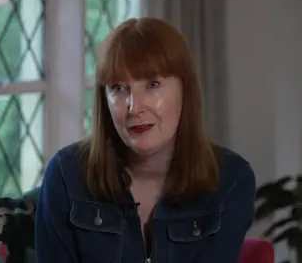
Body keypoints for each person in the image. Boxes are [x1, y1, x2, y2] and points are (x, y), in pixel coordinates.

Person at [35, 17, 256, 263]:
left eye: (152, 84)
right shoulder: (67, 176)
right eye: (118, 88)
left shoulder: (231, 180)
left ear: (186, 90)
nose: (134, 107)